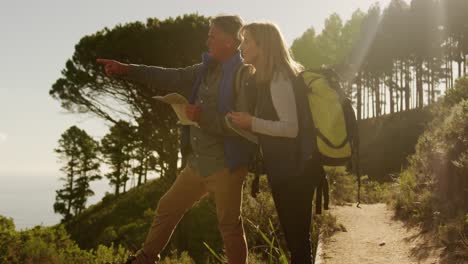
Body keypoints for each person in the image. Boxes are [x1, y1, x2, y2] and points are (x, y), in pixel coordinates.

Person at [97, 15, 256, 264]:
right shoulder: (204, 69)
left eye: (212, 35)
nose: (207, 40)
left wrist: (203, 117)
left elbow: (243, 125)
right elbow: (168, 76)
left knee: (230, 228)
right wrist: (127, 70)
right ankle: (146, 258)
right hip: (197, 164)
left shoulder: (244, 75)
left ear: (228, 41)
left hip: (226, 167)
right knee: (167, 207)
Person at [228, 22, 325, 264]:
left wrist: (252, 122)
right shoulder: (270, 77)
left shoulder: (279, 78)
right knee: (298, 243)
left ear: (264, 45)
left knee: (298, 244)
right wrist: (245, 125)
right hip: (290, 171)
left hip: (295, 173)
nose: (242, 46)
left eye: (247, 41)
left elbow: (290, 128)